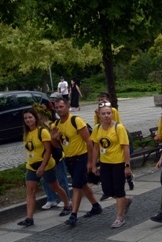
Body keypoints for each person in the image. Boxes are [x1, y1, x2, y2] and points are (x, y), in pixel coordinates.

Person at [50, 97, 103, 228]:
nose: (59, 110)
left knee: (76, 186)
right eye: (57, 108)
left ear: (68, 106)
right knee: (83, 184)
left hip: (81, 157)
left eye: (61, 107)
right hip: (69, 158)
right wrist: (53, 138)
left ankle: (73, 215)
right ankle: (96, 206)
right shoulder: (56, 125)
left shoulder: (76, 121)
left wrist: (90, 161)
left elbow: (89, 141)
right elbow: (57, 145)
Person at [17, 108, 72, 227]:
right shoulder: (27, 133)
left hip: (46, 165)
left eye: (30, 117)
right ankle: (29, 218)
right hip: (31, 166)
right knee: (30, 191)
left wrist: (42, 166)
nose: (28, 120)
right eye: (26, 118)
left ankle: (67, 204)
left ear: (35, 118)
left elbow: (48, 150)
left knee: (55, 187)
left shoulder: (42, 131)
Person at [90, 103, 132, 228]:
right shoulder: (97, 128)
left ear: (112, 114)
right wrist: (93, 164)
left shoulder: (118, 127)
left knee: (119, 189)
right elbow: (96, 147)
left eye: (108, 113)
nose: (106, 116)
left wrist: (127, 165)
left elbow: (126, 147)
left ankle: (119, 217)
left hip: (118, 162)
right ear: (99, 115)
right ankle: (126, 200)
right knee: (107, 190)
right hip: (105, 163)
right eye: (103, 113)